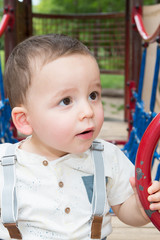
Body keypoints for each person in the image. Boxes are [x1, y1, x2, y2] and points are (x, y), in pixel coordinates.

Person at [0, 34, 160, 240]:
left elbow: (124, 208)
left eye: (93, 95)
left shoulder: (106, 157)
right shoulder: (6, 165)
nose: (88, 111)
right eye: (66, 101)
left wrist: (140, 206)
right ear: (25, 120)